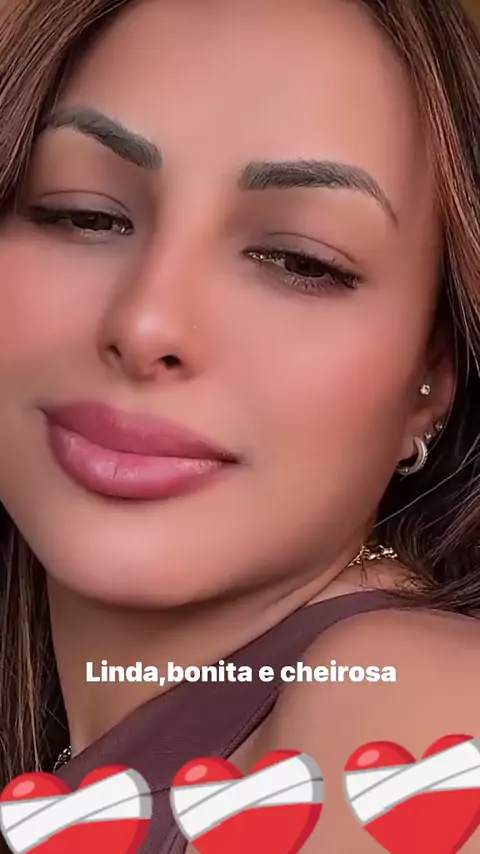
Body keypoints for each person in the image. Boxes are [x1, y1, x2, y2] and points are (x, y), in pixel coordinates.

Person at [0, 0, 479, 850]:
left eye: (300, 261)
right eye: (84, 215)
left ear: (432, 377)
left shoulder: (407, 710)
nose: (146, 324)